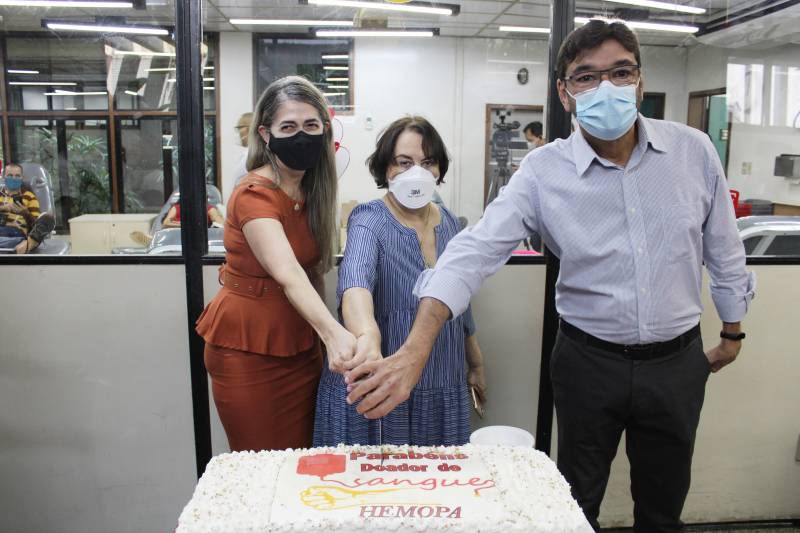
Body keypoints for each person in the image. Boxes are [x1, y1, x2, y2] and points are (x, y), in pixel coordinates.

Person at [344, 20, 755, 533]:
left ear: (640, 82)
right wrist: (416, 346)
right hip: (589, 361)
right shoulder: (543, 172)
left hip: (676, 363)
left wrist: (733, 329)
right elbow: (471, 253)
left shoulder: (693, 151)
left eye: (620, 72)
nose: (605, 88)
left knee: (664, 503)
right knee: (574, 500)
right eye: (586, 77)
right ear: (565, 93)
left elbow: (724, 247)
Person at [196, 76, 357, 452]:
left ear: (325, 130)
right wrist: (333, 335)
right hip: (248, 351)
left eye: (311, 126)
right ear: (266, 135)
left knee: (302, 462)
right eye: (288, 127)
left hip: (301, 348)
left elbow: (313, 273)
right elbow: (288, 274)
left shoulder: (312, 190)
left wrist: (323, 341)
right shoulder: (254, 194)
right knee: (260, 467)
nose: (301, 135)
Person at [313, 116, 486, 447]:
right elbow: (354, 285)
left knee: (435, 491)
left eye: (427, 162)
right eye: (404, 163)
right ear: (385, 169)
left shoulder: (450, 223)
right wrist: (368, 334)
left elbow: (461, 302)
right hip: (381, 380)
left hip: (441, 380)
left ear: (439, 169)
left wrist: (475, 362)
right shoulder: (368, 220)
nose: (416, 174)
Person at [0, 163, 55, 254]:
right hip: (4, 232)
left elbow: (37, 225)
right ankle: (25, 244)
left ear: (22, 178)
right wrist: (3, 208)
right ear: (3, 177)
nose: (13, 178)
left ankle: (25, 242)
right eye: (10, 175)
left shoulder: (29, 197)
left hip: (17, 232)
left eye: (17, 176)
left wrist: (25, 213)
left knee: (48, 217)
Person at [233, 112, 253, 184]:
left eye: (239, 128)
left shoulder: (250, 156)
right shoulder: (248, 154)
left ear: (249, 129)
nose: (238, 132)